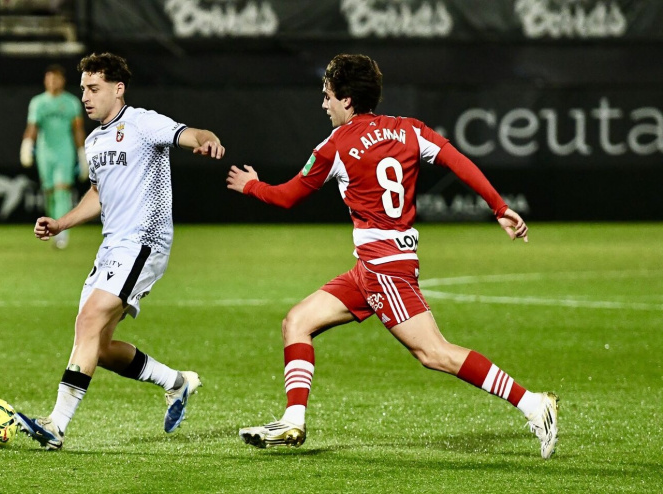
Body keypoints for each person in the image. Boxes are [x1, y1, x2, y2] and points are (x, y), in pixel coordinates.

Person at [227, 54, 559, 459]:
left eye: (328, 96)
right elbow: (460, 162)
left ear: (347, 100)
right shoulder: (410, 130)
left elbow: (287, 197)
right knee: (297, 321)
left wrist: (251, 186)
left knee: (434, 352)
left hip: (384, 271)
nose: (323, 104)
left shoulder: (335, 146)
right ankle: (293, 421)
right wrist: (498, 206)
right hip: (371, 268)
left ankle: (533, 404)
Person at [14, 52, 226, 450]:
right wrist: (61, 223)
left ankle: (55, 425)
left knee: (89, 319)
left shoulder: (144, 123)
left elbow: (186, 134)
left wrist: (206, 138)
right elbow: (98, 194)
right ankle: (176, 382)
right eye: (83, 89)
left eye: (94, 89)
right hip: (112, 245)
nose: (86, 97)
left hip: (145, 241)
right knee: (100, 344)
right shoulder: (94, 141)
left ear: (118, 88)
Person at [20, 64, 89, 249]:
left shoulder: (72, 102)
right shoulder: (38, 102)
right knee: (50, 192)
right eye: (50, 78)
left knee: (62, 190)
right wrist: (27, 145)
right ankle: (54, 226)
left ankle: (62, 233)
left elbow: (77, 130)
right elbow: (33, 127)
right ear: (45, 80)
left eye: (56, 78)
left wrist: (82, 154)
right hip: (45, 153)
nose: (53, 82)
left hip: (64, 152)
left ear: (63, 80)